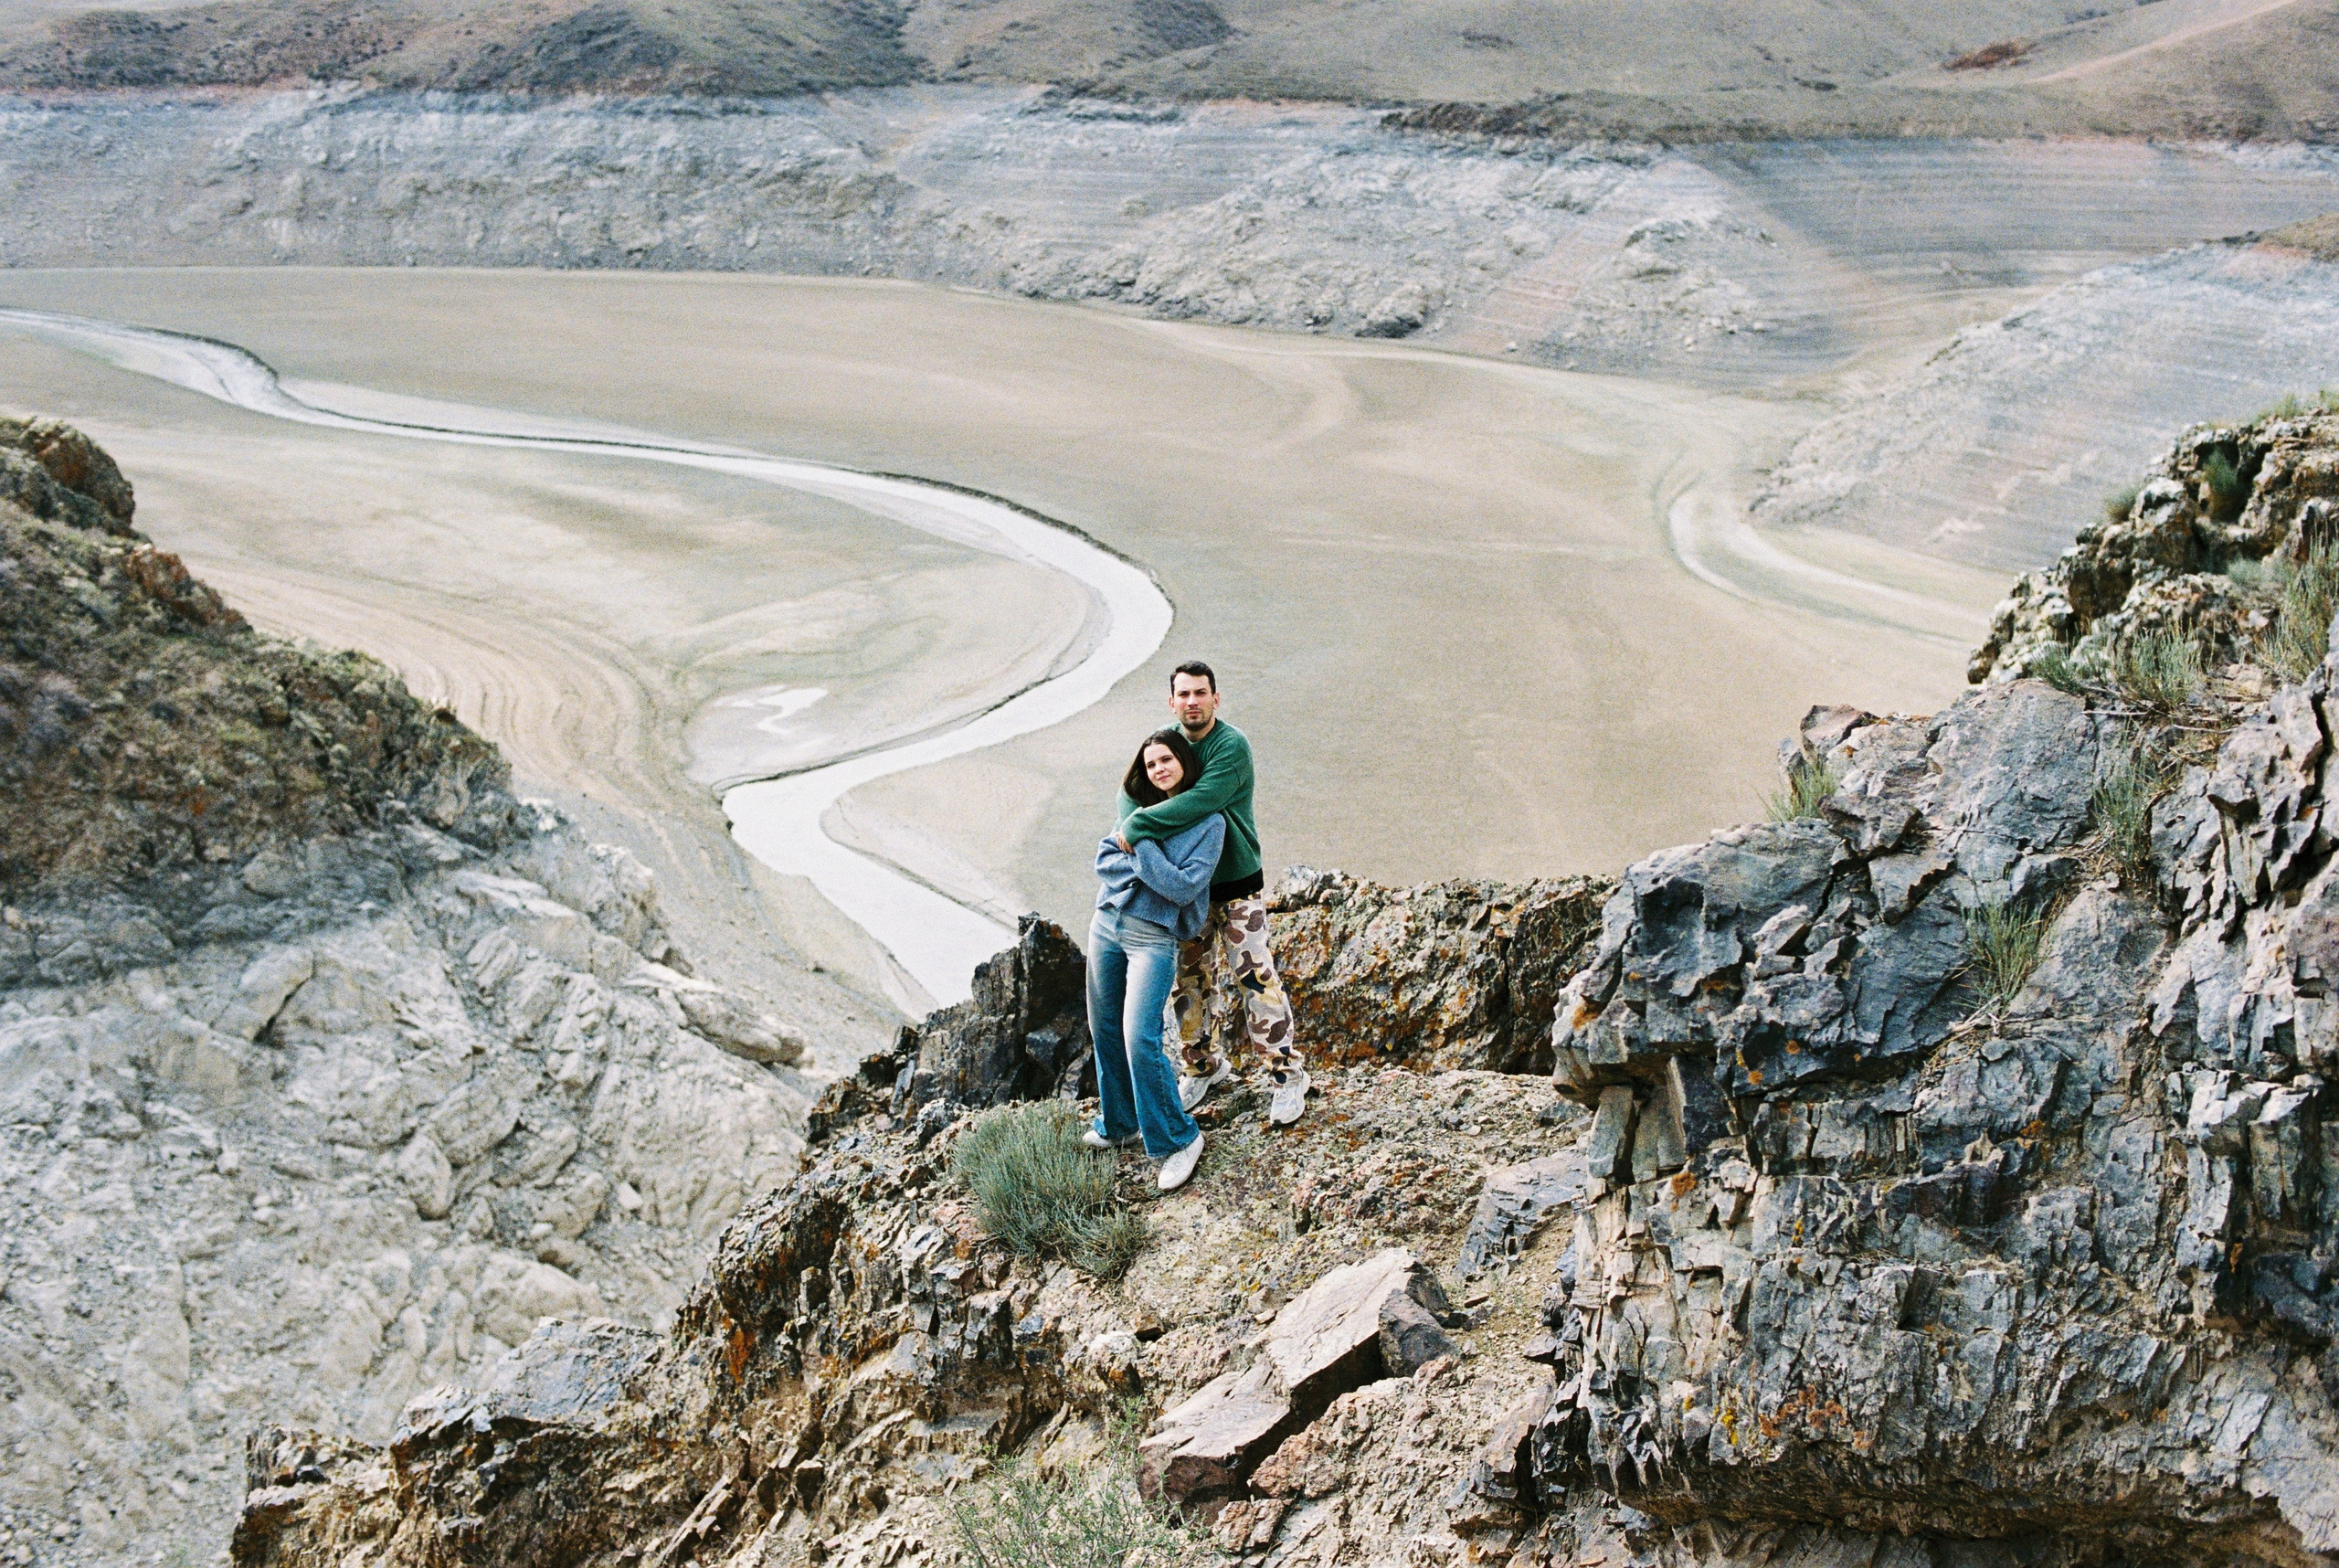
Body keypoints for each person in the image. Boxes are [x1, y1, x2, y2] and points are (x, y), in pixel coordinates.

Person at [1114, 661, 1308, 1128]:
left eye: (1201, 693)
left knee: (1254, 976)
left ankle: (1286, 1077)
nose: (1192, 702)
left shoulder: (1231, 746)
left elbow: (1202, 800)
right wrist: (1129, 818)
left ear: (1216, 699)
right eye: (1184, 694)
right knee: (1189, 979)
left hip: (1237, 884)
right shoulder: (1167, 741)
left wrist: (1138, 826)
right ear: (1172, 701)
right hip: (1185, 890)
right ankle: (1203, 1067)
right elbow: (1132, 788)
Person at [1087, 727, 1219, 1192]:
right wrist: (1151, 863)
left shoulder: (1208, 823)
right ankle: (1119, 1123)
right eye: (1151, 764)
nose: (1159, 769)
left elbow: (1185, 888)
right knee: (1104, 1028)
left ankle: (1179, 1139)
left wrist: (1140, 845)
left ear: (1184, 761)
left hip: (1152, 940)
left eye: (1167, 759)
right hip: (1105, 925)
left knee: (1138, 1037)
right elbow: (1104, 861)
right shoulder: (1138, 811)